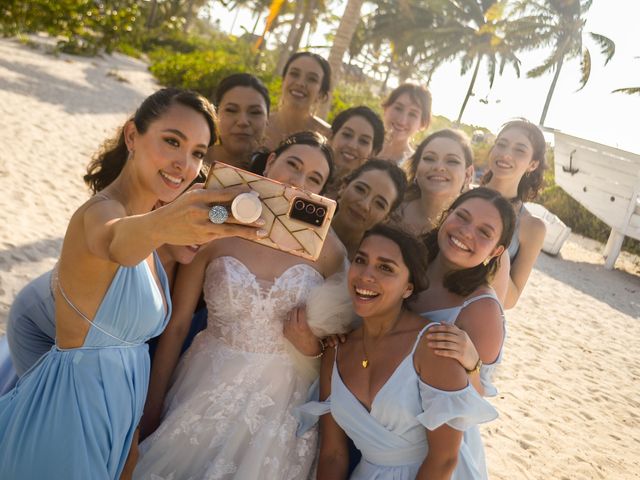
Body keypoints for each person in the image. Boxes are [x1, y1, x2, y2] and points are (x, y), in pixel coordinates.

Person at [0, 88, 263, 480]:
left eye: (197, 153)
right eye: (172, 141)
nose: (184, 164)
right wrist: (169, 220)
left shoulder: (153, 238)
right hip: (69, 417)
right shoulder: (101, 214)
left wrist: (130, 439)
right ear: (132, 136)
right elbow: (115, 242)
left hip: (114, 424)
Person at [135, 131, 346, 479]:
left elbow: (340, 346)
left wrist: (312, 350)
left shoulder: (330, 251)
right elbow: (178, 324)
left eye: (314, 179)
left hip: (280, 406)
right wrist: (153, 403)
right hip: (205, 384)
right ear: (270, 160)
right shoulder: (220, 218)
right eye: (292, 165)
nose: (298, 181)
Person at [297, 225, 497, 479]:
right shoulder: (335, 354)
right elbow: (333, 455)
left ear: (408, 288)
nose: (366, 275)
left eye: (385, 268)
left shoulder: (432, 347)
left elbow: (444, 459)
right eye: (361, 260)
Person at [409, 187, 516, 480]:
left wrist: (472, 364)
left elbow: (476, 400)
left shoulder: (481, 308)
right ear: (447, 216)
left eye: (484, 231)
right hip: (378, 420)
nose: (467, 232)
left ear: (496, 251)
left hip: (432, 448)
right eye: (462, 217)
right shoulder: (409, 263)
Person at [481, 119, 547, 309]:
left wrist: (491, 249)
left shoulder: (531, 227)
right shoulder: (459, 196)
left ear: (532, 164)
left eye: (519, 150)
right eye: (501, 144)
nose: (506, 154)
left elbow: (509, 301)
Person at [391, 129, 474, 236]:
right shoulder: (390, 209)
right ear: (416, 167)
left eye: (452, 161)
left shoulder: (469, 229)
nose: (438, 167)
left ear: (468, 174)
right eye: (429, 158)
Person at [332, 159, 407, 259]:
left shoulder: (373, 264)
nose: (364, 205)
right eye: (360, 189)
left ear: (385, 219)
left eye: (379, 204)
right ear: (343, 187)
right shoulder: (305, 220)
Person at [264, 51, 332, 149]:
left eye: (312, 79)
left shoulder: (327, 138)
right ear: (283, 80)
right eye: (294, 74)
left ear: (321, 93)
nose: (300, 83)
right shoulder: (259, 124)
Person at [204, 73, 270, 170]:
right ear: (215, 114)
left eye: (255, 112)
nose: (242, 122)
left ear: (267, 120)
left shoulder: (276, 172)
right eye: (231, 110)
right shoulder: (192, 161)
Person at [325, 106, 385, 197]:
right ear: (331, 136)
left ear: (373, 153)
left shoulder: (363, 201)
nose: (352, 146)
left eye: (364, 141)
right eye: (347, 135)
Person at [378, 83, 432, 165]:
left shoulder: (415, 166)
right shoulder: (363, 146)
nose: (402, 121)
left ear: (422, 124)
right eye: (398, 108)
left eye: (413, 114)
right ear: (386, 108)